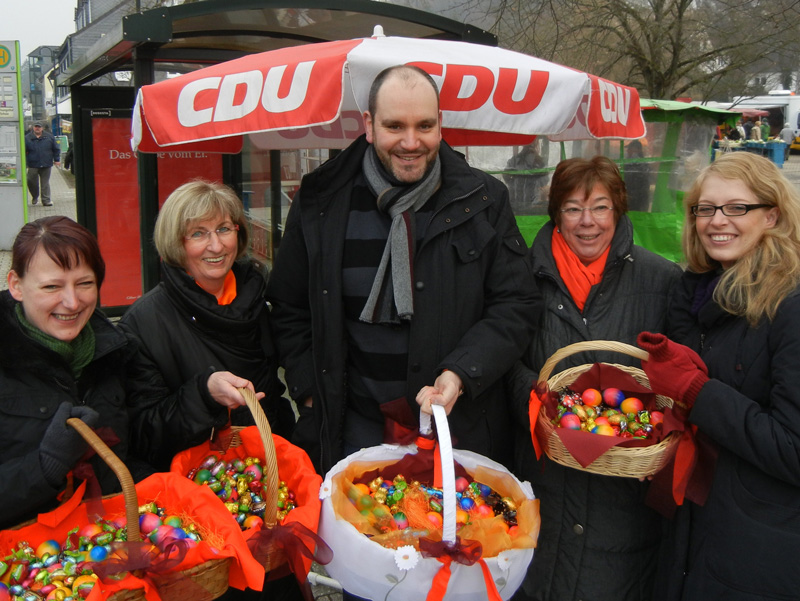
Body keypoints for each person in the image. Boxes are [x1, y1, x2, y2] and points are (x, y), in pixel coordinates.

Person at [265, 65, 536, 477]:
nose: (411, 142)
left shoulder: (484, 199)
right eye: (395, 126)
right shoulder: (321, 202)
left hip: (456, 433)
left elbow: (516, 304)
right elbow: (288, 305)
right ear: (370, 126)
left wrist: (461, 372)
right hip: (350, 433)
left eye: (424, 125)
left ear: (440, 125)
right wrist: (309, 392)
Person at [506, 156, 682, 601]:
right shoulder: (521, 279)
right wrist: (538, 402)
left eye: (600, 207)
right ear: (555, 214)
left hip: (624, 493)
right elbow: (504, 359)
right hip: (545, 472)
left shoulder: (661, 279)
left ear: (619, 210)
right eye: (572, 208)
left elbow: (679, 374)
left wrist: (661, 436)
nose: (587, 222)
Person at [639, 151, 800, 601]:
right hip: (694, 534)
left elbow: (794, 449)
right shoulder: (697, 296)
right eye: (705, 208)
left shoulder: (789, 304)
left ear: (772, 215)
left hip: (758, 551)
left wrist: (696, 391)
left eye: (737, 207)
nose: (716, 221)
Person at [119, 180, 293, 473]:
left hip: (272, 464)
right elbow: (143, 434)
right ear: (176, 243)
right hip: (196, 480)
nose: (216, 245)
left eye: (224, 228)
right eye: (198, 233)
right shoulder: (143, 323)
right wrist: (203, 395)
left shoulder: (258, 297)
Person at [0, 216, 133, 529]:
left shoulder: (114, 351)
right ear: (16, 285)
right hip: (25, 564)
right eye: (52, 286)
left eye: (85, 283)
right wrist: (44, 467)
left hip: (106, 547)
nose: (72, 302)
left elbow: (137, 450)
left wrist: (200, 396)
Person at [504, 141, 548, 215]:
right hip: (516, 200)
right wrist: (513, 184)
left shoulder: (540, 161)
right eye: (529, 144)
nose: (530, 146)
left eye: (533, 144)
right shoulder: (515, 160)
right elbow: (506, 174)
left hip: (533, 201)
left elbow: (545, 178)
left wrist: (536, 184)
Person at [25, 121, 61, 206]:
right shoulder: (27, 138)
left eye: (39, 127)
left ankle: (46, 200)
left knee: (45, 183)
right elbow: (23, 150)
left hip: (46, 163)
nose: (37, 128)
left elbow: (55, 149)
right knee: (31, 181)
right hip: (32, 164)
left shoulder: (49, 137)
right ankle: (34, 196)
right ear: (33, 127)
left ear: (42, 128)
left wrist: (57, 160)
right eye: (36, 126)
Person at [623, 139, 652, 211]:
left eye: (630, 148)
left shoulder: (637, 163)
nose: (628, 151)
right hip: (637, 199)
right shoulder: (641, 163)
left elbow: (631, 179)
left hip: (637, 200)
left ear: (637, 150)